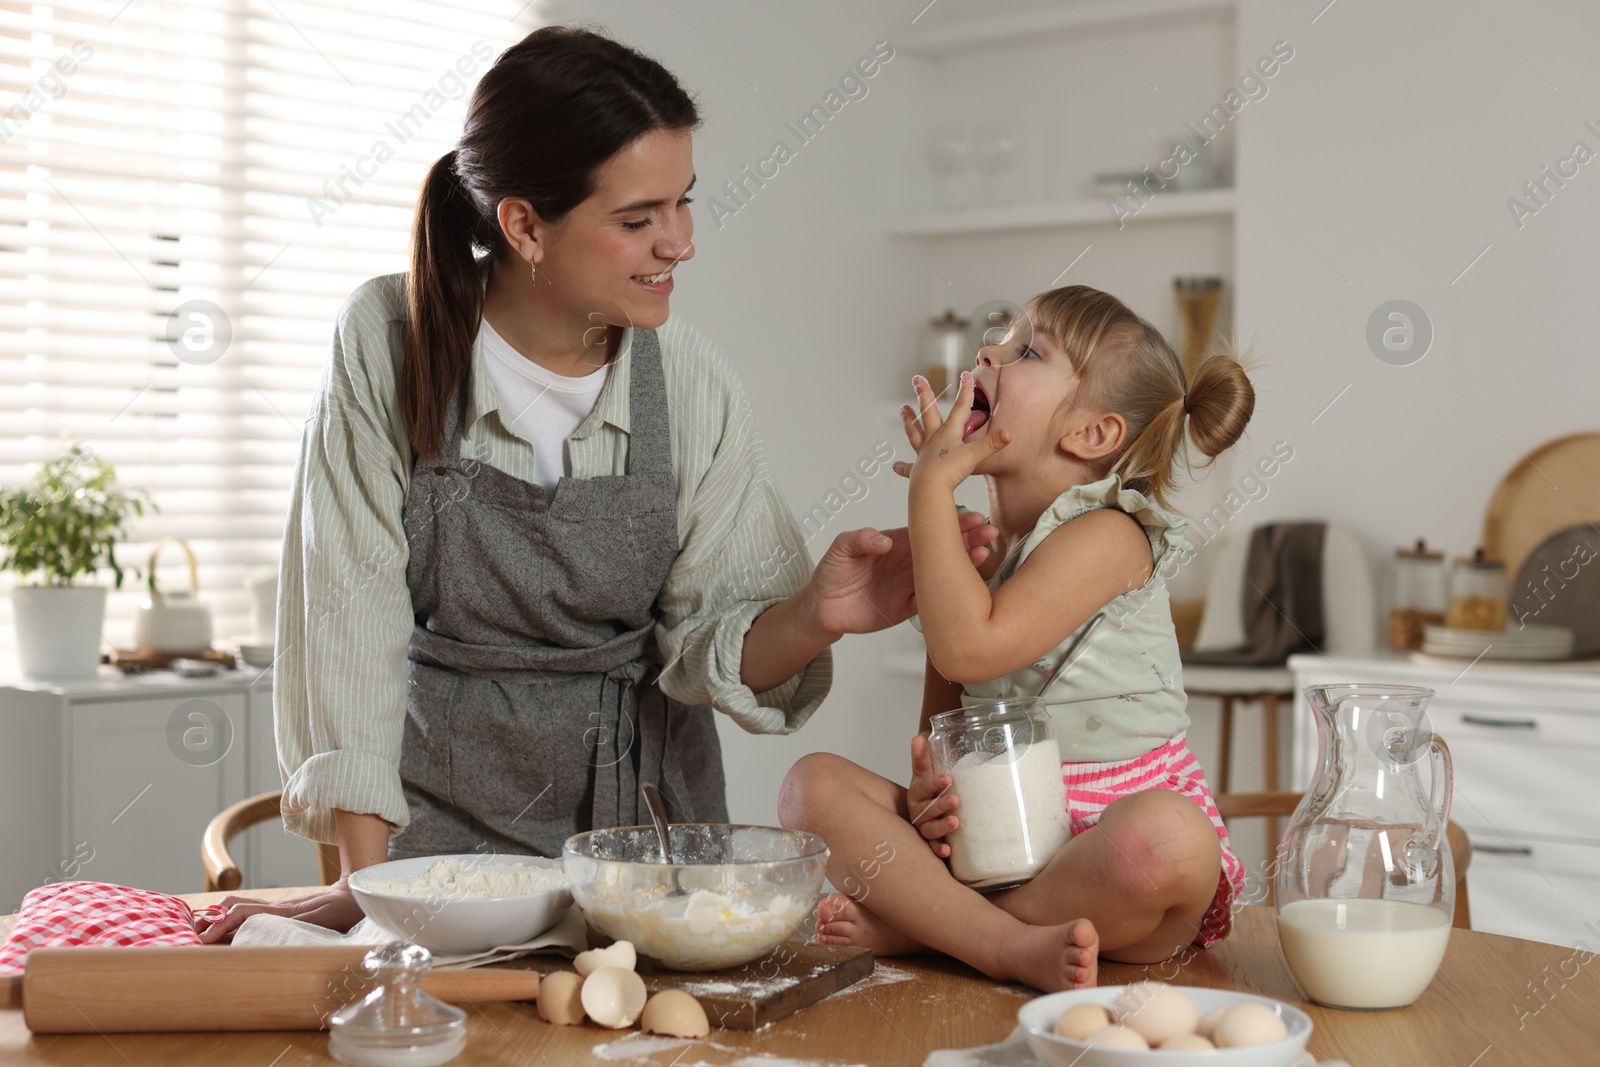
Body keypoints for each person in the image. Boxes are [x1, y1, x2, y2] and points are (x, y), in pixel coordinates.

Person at [195, 26, 994, 943]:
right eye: (638, 218)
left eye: (684, 203)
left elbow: (708, 646)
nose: (682, 243)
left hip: (652, 854)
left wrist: (818, 610)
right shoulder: (387, 340)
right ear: (525, 224)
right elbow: (350, 624)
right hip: (441, 856)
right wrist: (375, 897)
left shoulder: (688, 379)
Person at [779, 285, 1255, 991]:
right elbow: (944, 725)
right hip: (996, 845)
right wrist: (925, 799)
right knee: (808, 788)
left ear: (1092, 434)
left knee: (1170, 839)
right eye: (1000, 342)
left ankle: (942, 932)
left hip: (1112, 872)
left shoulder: (1112, 533)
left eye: (1026, 350)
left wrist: (930, 495)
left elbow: (972, 645)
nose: (988, 354)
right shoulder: (978, 557)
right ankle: (997, 939)